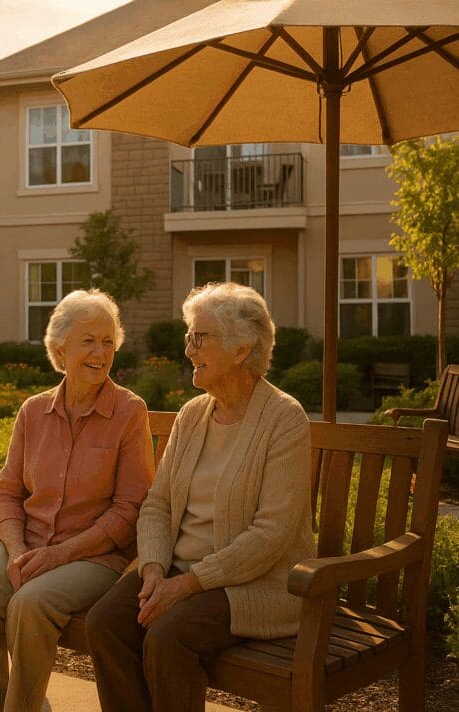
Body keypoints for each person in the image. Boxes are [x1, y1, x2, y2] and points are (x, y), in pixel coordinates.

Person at [86, 282, 314, 712]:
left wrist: (187, 585)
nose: (188, 350)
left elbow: (271, 536)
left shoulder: (285, 420)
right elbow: (158, 504)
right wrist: (153, 569)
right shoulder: (193, 415)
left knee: (169, 638)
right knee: (105, 624)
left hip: (252, 585)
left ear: (242, 349)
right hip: (175, 569)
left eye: (200, 338)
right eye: (189, 337)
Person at [0, 289, 155, 712]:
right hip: (29, 546)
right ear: (60, 350)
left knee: (30, 602)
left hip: (95, 558)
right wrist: (19, 549)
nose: (101, 352)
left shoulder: (129, 412)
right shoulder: (33, 411)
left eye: (107, 341)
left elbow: (130, 509)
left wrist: (60, 554)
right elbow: (7, 492)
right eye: (88, 341)